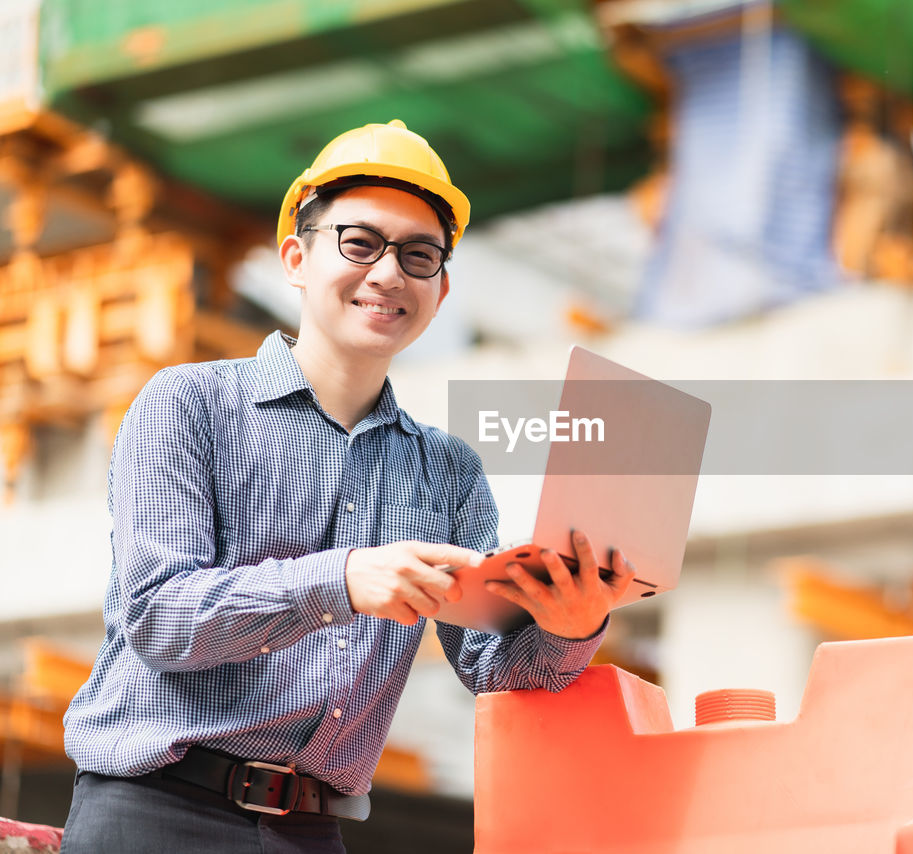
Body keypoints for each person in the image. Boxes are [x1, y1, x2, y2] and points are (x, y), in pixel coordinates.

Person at [59, 119, 636, 853]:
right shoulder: (187, 405)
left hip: (311, 831)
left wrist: (569, 625)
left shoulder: (447, 472)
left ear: (441, 288)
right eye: (360, 243)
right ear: (296, 257)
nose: (389, 274)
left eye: (418, 256)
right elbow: (159, 617)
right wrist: (340, 581)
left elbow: (495, 672)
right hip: (153, 816)